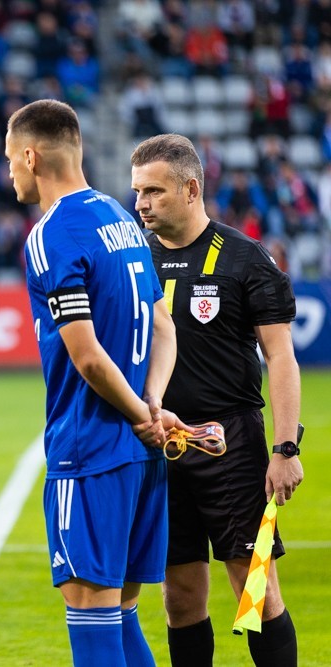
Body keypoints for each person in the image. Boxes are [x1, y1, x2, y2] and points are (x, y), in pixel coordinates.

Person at [6, 99, 183, 667]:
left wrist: (138, 413)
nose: (9, 172)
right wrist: (152, 403)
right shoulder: (120, 217)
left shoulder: (51, 235)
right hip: (140, 455)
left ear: (30, 157)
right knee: (122, 611)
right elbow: (163, 325)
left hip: (89, 449)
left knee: (90, 612)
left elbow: (86, 358)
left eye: (9, 159)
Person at [131, 133, 304, 667]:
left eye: (154, 191)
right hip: (162, 446)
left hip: (232, 445)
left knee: (255, 592)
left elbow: (281, 357)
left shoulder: (246, 258)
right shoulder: (134, 260)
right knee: (179, 598)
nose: (141, 204)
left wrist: (286, 448)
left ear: (190, 189)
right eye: (137, 192)